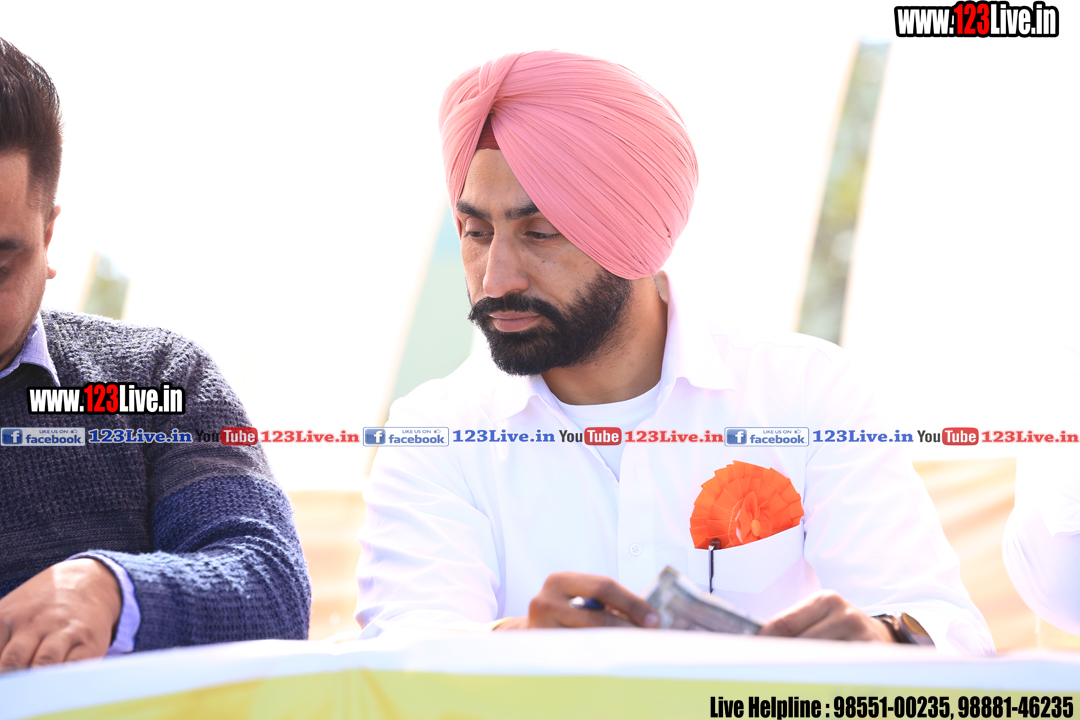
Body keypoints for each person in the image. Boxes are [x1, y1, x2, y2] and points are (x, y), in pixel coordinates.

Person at [355, 50, 993, 654]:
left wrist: (886, 639)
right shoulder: (433, 434)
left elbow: (946, 627)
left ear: (633, 235)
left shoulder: (807, 392)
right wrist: (515, 645)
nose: (496, 279)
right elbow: (400, 653)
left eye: (540, 233)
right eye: (475, 232)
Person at [0, 37, 310, 670]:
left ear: (49, 235)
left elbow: (270, 587)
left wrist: (113, 591)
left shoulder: (152, 382)